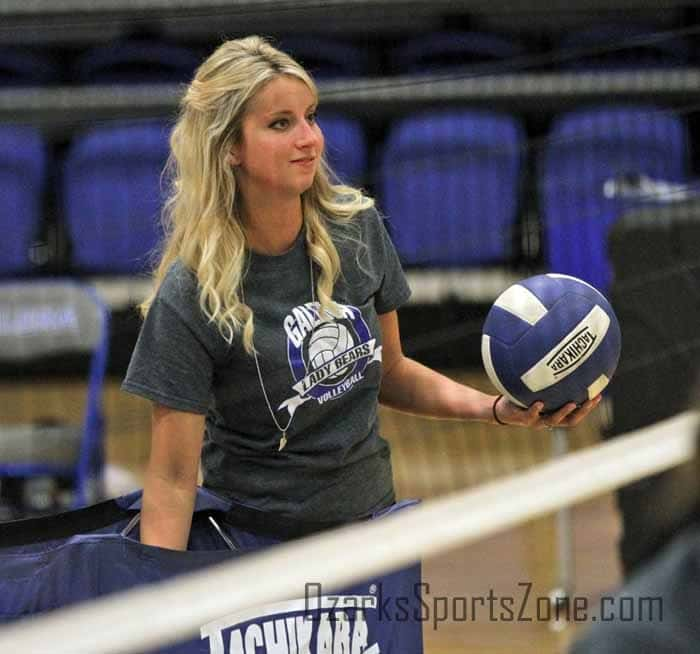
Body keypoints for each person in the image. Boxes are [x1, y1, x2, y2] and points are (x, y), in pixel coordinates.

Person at [121, 35, 600, 551]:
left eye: (311, 116)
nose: (310, 139)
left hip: (371, 529)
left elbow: (389, 373)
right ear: (229, 147)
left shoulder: (356, 229)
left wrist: (494, 410)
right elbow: (171, 481)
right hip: (256, 549)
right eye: (281, 123)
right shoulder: (192, 291)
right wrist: (162, 608)